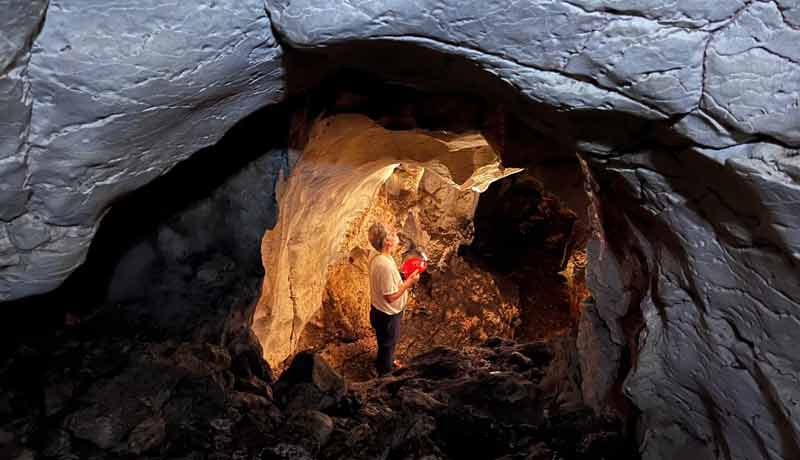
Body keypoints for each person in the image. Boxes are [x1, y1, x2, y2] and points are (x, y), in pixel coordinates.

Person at [367, 222, 420, 376]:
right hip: (388, 314)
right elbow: (390, 297)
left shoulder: (377, 256)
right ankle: (385, 373)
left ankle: (385, 360)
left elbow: (387, 279)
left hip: (378, 310)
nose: (398, 238)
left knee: (384, 342)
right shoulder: (385, 267)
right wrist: (409, 283)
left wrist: (402, 274)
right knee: (389, 343)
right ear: (387, 242)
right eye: (394, 236)